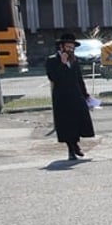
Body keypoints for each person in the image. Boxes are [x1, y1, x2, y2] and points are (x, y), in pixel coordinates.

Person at [45, 33, 95, 161]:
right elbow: (53, 78)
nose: (70, 50)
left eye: (72, 47)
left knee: (78, 121)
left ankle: (75, 144)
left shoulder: (75, 60)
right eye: (68, 47)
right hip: (62, 97)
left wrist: (85, 94)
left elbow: (79, 79)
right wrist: (62, 64)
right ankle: (71, 149)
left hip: (76, 95)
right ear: (61, 47)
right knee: (66, 124)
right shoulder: (51, 61)